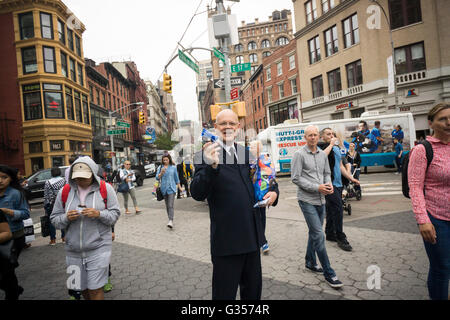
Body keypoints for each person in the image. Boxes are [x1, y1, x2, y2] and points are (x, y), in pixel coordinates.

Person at [191, 109, 278, 300]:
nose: (228, 127)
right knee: (224, 295)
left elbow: (264, 179)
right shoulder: (204, 154)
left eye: (232, 123)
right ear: (216, 127)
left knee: (252, 294)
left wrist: (274, 192)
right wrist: (211, 167)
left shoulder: (246, 153)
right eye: (223, 124)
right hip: (227, 242)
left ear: (238, 128)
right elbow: (197, 193)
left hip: (252, 238)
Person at [50, 156, 120, 300]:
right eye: (77, 177)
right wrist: (66, 217)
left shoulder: (105, 188)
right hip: (72, 251)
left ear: (93, 173)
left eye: (84, 177)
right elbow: (54, 219)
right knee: (81, 290)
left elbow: (115, 214)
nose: (80, 181)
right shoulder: (64, 191)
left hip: (99, 248)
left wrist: (98, 214)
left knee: (95, 289)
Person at [291, 125, 343, 288]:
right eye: (310, 135)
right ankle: (329, 273)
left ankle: (310, 261)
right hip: (306, 200)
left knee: (315, 233)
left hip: (322, 199)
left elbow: (327, 172)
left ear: (318, 137)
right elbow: (296, 178)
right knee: (319, 234)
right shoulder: (299, 155)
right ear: (305, 138)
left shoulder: (322, 154)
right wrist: (316, 187)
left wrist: (328, 184)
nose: (313, 137)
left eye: (315, 135)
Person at [408, 103, 450, 300]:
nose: (449, 122)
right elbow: (415, 187)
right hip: (437, 218)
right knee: (442, 268)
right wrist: (422, 220)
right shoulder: (423, 150)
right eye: (443, 119)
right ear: (431, 123)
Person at [319, 128, 359, 252]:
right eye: (328, 134)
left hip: (338, 183)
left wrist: (350, 177)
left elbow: (340, 166)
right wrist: (331, 144)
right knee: (338, 208)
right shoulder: (321, 147)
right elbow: (320, 159)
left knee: (331, 208)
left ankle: (330, 233)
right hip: (328, 183)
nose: (331, 136)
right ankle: (341, 237)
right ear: (322, 137)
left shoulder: (336, 149)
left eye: (332, 134)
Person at [0, 164, 30, 300]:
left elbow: (25, 213)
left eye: (4, 177)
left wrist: (9, 212)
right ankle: (14, 289)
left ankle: (12, 293)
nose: (0, 180)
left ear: (10, 179)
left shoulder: (15, 193)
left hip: (14, 237)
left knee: (7, 270)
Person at [156, 154, 183, 228]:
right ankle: (169, 219)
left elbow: (176, 179)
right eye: (164, 160)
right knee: (167, 206)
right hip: (164, 189)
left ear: (169, 160)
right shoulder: (160, 167)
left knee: (170, 205)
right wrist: (161, 173)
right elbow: (157, 178)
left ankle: (171, 220)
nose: (165, 161)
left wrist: (180, 187)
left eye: (166, 160)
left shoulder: (173, 168)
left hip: (172, 188)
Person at [44, 167, 66, 245]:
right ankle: (64, 238)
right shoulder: (64, 181)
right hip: (62, 203)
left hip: (51, 204)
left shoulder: (48, 182)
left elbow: (46, 195)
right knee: (62, 219)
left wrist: (45, 205)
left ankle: (53, 240)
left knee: (51, 221)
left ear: (52, 173)